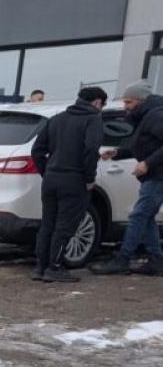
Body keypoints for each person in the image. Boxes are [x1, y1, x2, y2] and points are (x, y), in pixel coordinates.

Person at [29, 86, 107, 283]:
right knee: (65, 226)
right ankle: (54, 267)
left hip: (51, 179)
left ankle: (40, 267)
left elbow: (37, 150)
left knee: (47, 224)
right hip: (74, 180)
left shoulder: (57, 118)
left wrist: (46, 172)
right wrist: (89, 178)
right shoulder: (93, 119)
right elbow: (91, 149)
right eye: (102, 105)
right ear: (97, 102)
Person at [92, 81, 163, 276]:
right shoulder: (146, 115)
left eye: (129, 102)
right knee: (146, 217)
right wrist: (117, 153)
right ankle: (156, 260)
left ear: (141, 100)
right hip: (153, 176)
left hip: (158, 176)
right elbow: (145, 145)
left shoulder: (156, 115)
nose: (125, 107)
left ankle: (123, 258)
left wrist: (148, 163)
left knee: (138, 215)